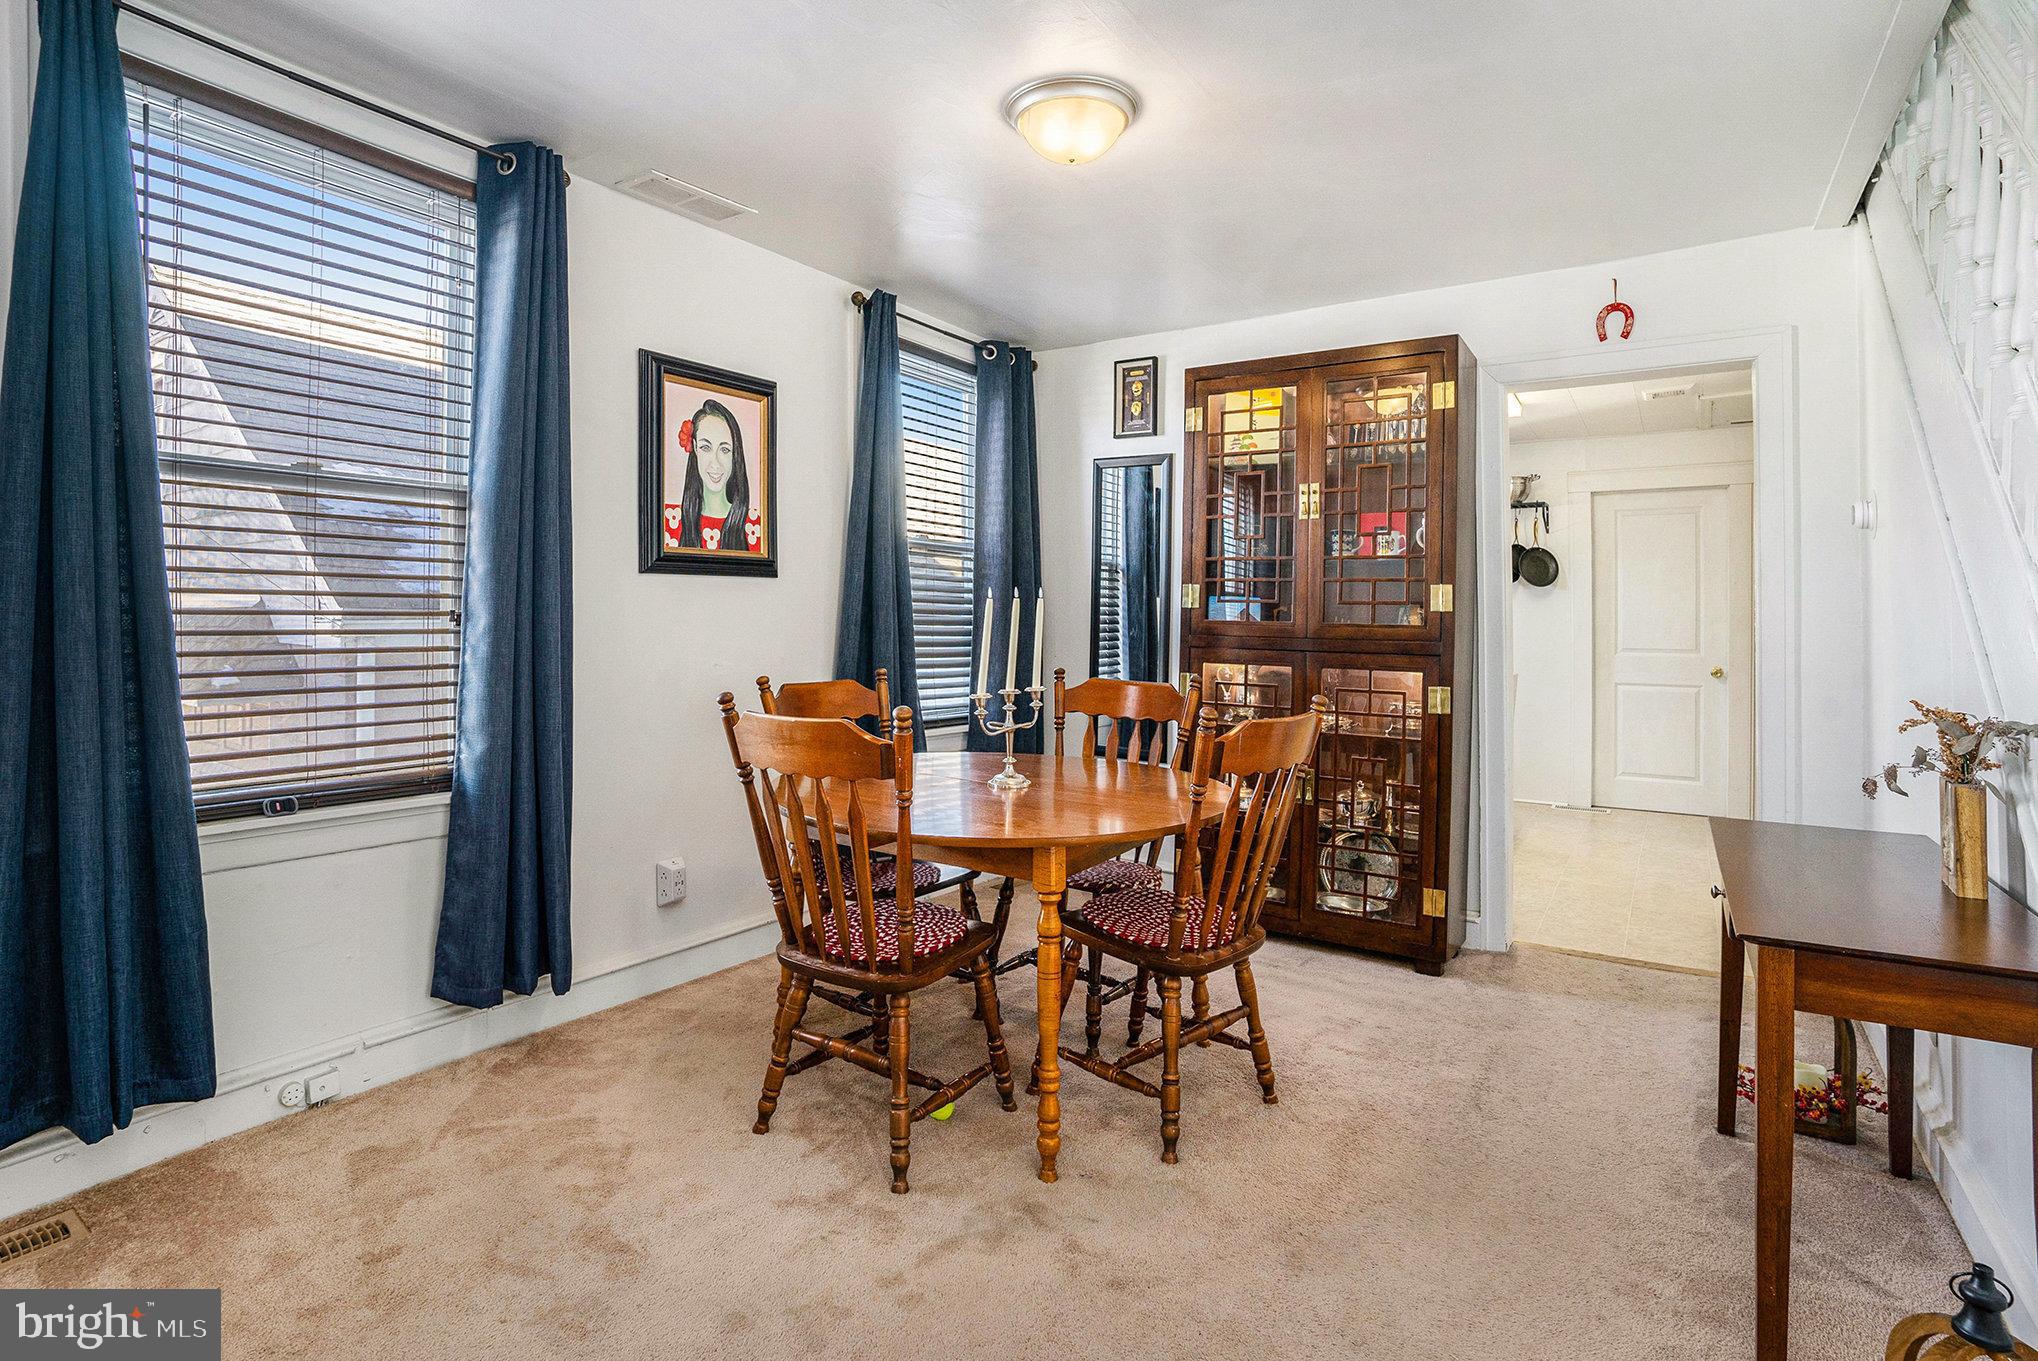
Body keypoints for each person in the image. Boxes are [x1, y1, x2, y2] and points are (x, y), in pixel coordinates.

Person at [663, 397, 762, 552]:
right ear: (695, 448)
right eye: (706, 448)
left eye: (724, 450)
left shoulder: (756, 525)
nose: (715, 463)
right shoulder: (668, 520)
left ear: (735, 455)